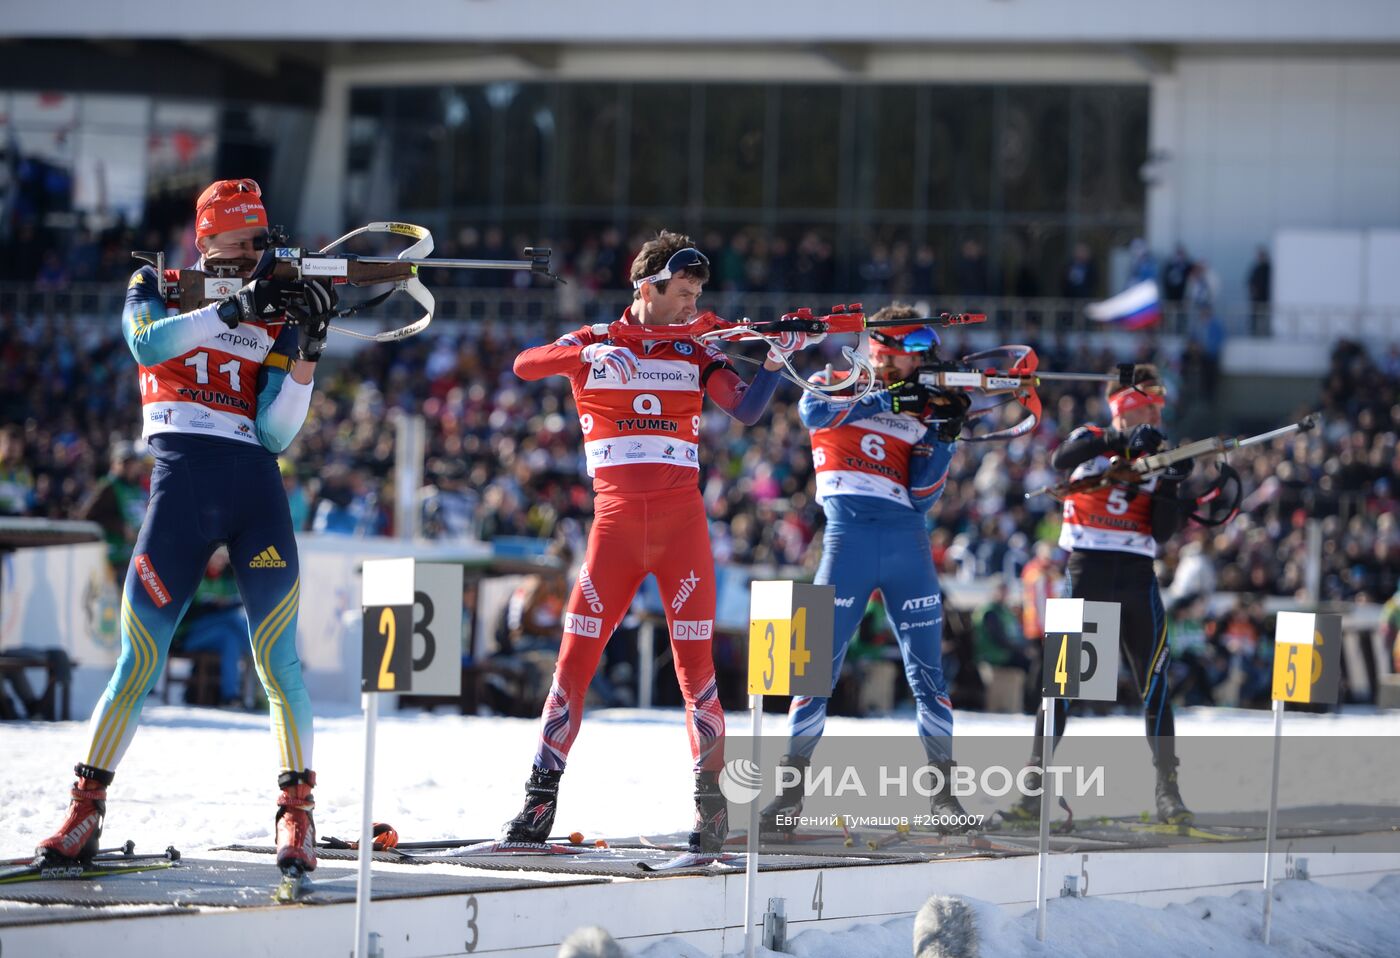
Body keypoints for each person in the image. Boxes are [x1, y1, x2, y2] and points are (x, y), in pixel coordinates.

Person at [36, 178, 335, 877]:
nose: (260, 252)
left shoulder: (275, 305)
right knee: (137, 663)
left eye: (264, 240)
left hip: (255, 492)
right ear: (207, 244)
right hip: (179, 489)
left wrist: (308, 346)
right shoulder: (159, 285)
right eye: (244, 242)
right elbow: (146, 345)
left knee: (278, 663)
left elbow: (276, 431)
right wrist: (237, 306)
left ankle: (297, 816)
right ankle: (85, 809)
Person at [502, 231, 820, 853]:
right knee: (573, 664)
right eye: (683, 293)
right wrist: (593, 355)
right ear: (647, 286)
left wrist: (779, 358)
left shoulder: (697, 345)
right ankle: (539, 802)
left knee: (695, 670)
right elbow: (523, 364)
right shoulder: (596, 340)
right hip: (615, 528)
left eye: (698, 294)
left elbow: (748, 409)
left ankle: (712, 806)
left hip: (682, 529)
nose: (691, 304)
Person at [759, 303, 974, 833]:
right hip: (846, 540)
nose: (916, 368)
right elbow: (813, 415)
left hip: (907, 543)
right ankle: (787, 797)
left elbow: (922, 496)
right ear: (881, 349)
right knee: (811, 674)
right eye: (907, 356)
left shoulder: (920, 404)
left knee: (930, 678)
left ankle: (945, 799)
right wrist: (884, 395)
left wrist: (944, 437)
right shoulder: (836, 378)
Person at [1000, 364, 1196, 826]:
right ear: (1127, 407)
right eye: (1149, 406)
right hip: (1087, 570)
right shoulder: (1092, 436)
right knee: (1061, 688)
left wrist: (1171, 483)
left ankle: (1168, 789)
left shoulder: (1159, 451)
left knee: (1155, 686)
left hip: (1135, 575)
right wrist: (1117, 441)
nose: (1156, 416)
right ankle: (1031, 793)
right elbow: (1061, 460)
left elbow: (1163, 531)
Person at [75, 441, 150, 580]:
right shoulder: (108, 486)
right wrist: (120, 527)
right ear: (114, 464)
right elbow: (86, 516)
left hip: (136, 555)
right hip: (116, 558)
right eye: (124, 463)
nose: (129, 467)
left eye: (132, 463)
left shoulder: (137, 487)